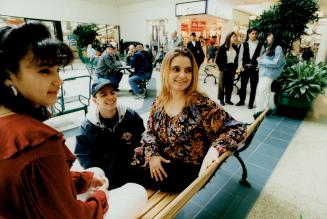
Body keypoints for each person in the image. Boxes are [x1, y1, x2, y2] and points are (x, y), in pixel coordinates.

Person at [0, 22, 147, 219]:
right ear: (8, 74)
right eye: (44, 70)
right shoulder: (38, 141)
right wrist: (101, 197)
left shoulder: (9, 124)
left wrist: (82, 179)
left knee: (95, 173)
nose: (58, 81)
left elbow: (39, 183)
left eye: (57, 70)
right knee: (136, 191)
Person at [131, 47, 246, 192]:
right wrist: (153, 155)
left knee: (126, 173)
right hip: (162, 161)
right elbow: (150, 132)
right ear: (166, 71)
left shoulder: (201, 104)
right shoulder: (160, 101)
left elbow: (238, 128)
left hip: (182, 173)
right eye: (176, 69)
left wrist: (215, 149)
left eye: (188, 70)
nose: (182, 75)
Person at [75, 78, 145, 189]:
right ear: (94, 100)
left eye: (112, 92)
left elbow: (142, 139)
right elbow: (85, 158)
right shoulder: (88, 127)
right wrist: (99, 177)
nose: (110, 97)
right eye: (103, 95)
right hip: (108, 180)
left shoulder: (130, 115)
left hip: (134, 171)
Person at [254, 32, 286, 118]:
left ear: (274, 37)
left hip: (268, 75)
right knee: (266, 92)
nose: (267, 38)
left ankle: (259, 111)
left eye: (269, 36)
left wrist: (262, 61)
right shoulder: (270, 48)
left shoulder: (278, 48)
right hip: (263, 74)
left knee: (261, 92)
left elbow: (277, 63)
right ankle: (265, 109)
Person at [236, 28, 265, 109]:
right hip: (244, 68)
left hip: (254, 69)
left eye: (256, 34)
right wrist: (240, 67)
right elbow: (240, 56)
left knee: (253, 87)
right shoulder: (243, 44)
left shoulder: (261, 45)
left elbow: (262, 58)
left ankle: (251, 103)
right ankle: (242, 101)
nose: (254, 35)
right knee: (243, 86)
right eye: (252, 33)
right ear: (249, 34)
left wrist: (258, 67)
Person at [215, 32, 239, 106]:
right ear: (229, 38)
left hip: (232, 68)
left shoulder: (236, 47)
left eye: (235, 37)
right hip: (224, 68)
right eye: (233, 37)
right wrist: (222, 67)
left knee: (230, 85)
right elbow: (217, 60)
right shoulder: (222, 48)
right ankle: (221, 99)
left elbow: (237, 59)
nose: (235, 38)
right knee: (222, 85)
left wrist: (235, 67)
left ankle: (228, 99)